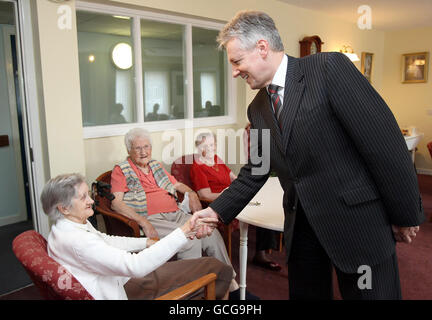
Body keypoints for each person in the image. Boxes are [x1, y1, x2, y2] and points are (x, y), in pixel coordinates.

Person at [190, 10, 425, 300]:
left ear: (262, 47)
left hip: (358, 224)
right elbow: (256, 170)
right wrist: (215, 211)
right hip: (303, 231)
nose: (235, 71)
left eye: (237, 61)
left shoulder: (328, 69)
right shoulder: (258, 108)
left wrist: (405, 214)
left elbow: (383, 144)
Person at [110, 127, 257, 299]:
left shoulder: (155, 166)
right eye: (138, 148)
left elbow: (178, 185)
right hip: (153, 218)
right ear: (129, 150)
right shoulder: (121, 170)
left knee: (211, 232)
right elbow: (115, 203)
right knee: (189, 239)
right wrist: (143, 222)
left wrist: (192, 193)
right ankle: (193, 292)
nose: (144, 152)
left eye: (147, 147)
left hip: (176, 213)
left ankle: (230, 284)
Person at [41, 173, 233, 300]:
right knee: (216, 269)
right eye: (83, 197)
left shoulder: (65, 227)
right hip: (123, 289)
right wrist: (183, 231)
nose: (92, 201)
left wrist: (146, 241)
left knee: (206, 264)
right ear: (63, 207)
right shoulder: (77, 241)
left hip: (119, 277)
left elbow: (106, 240)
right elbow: (136, 266)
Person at [190, 131, 281, 271]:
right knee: (258, 209)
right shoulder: (197, 167)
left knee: (263, 207)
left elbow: (235, 178)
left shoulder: (217, 159)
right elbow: (205, 194)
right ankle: (261, 253)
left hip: (233, 195)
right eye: (205, 146)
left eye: (212, 144)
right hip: (220, 202)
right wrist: (227, 196)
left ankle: (261, 251)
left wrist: (243, 191)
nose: (210, 149)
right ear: (198, 147)